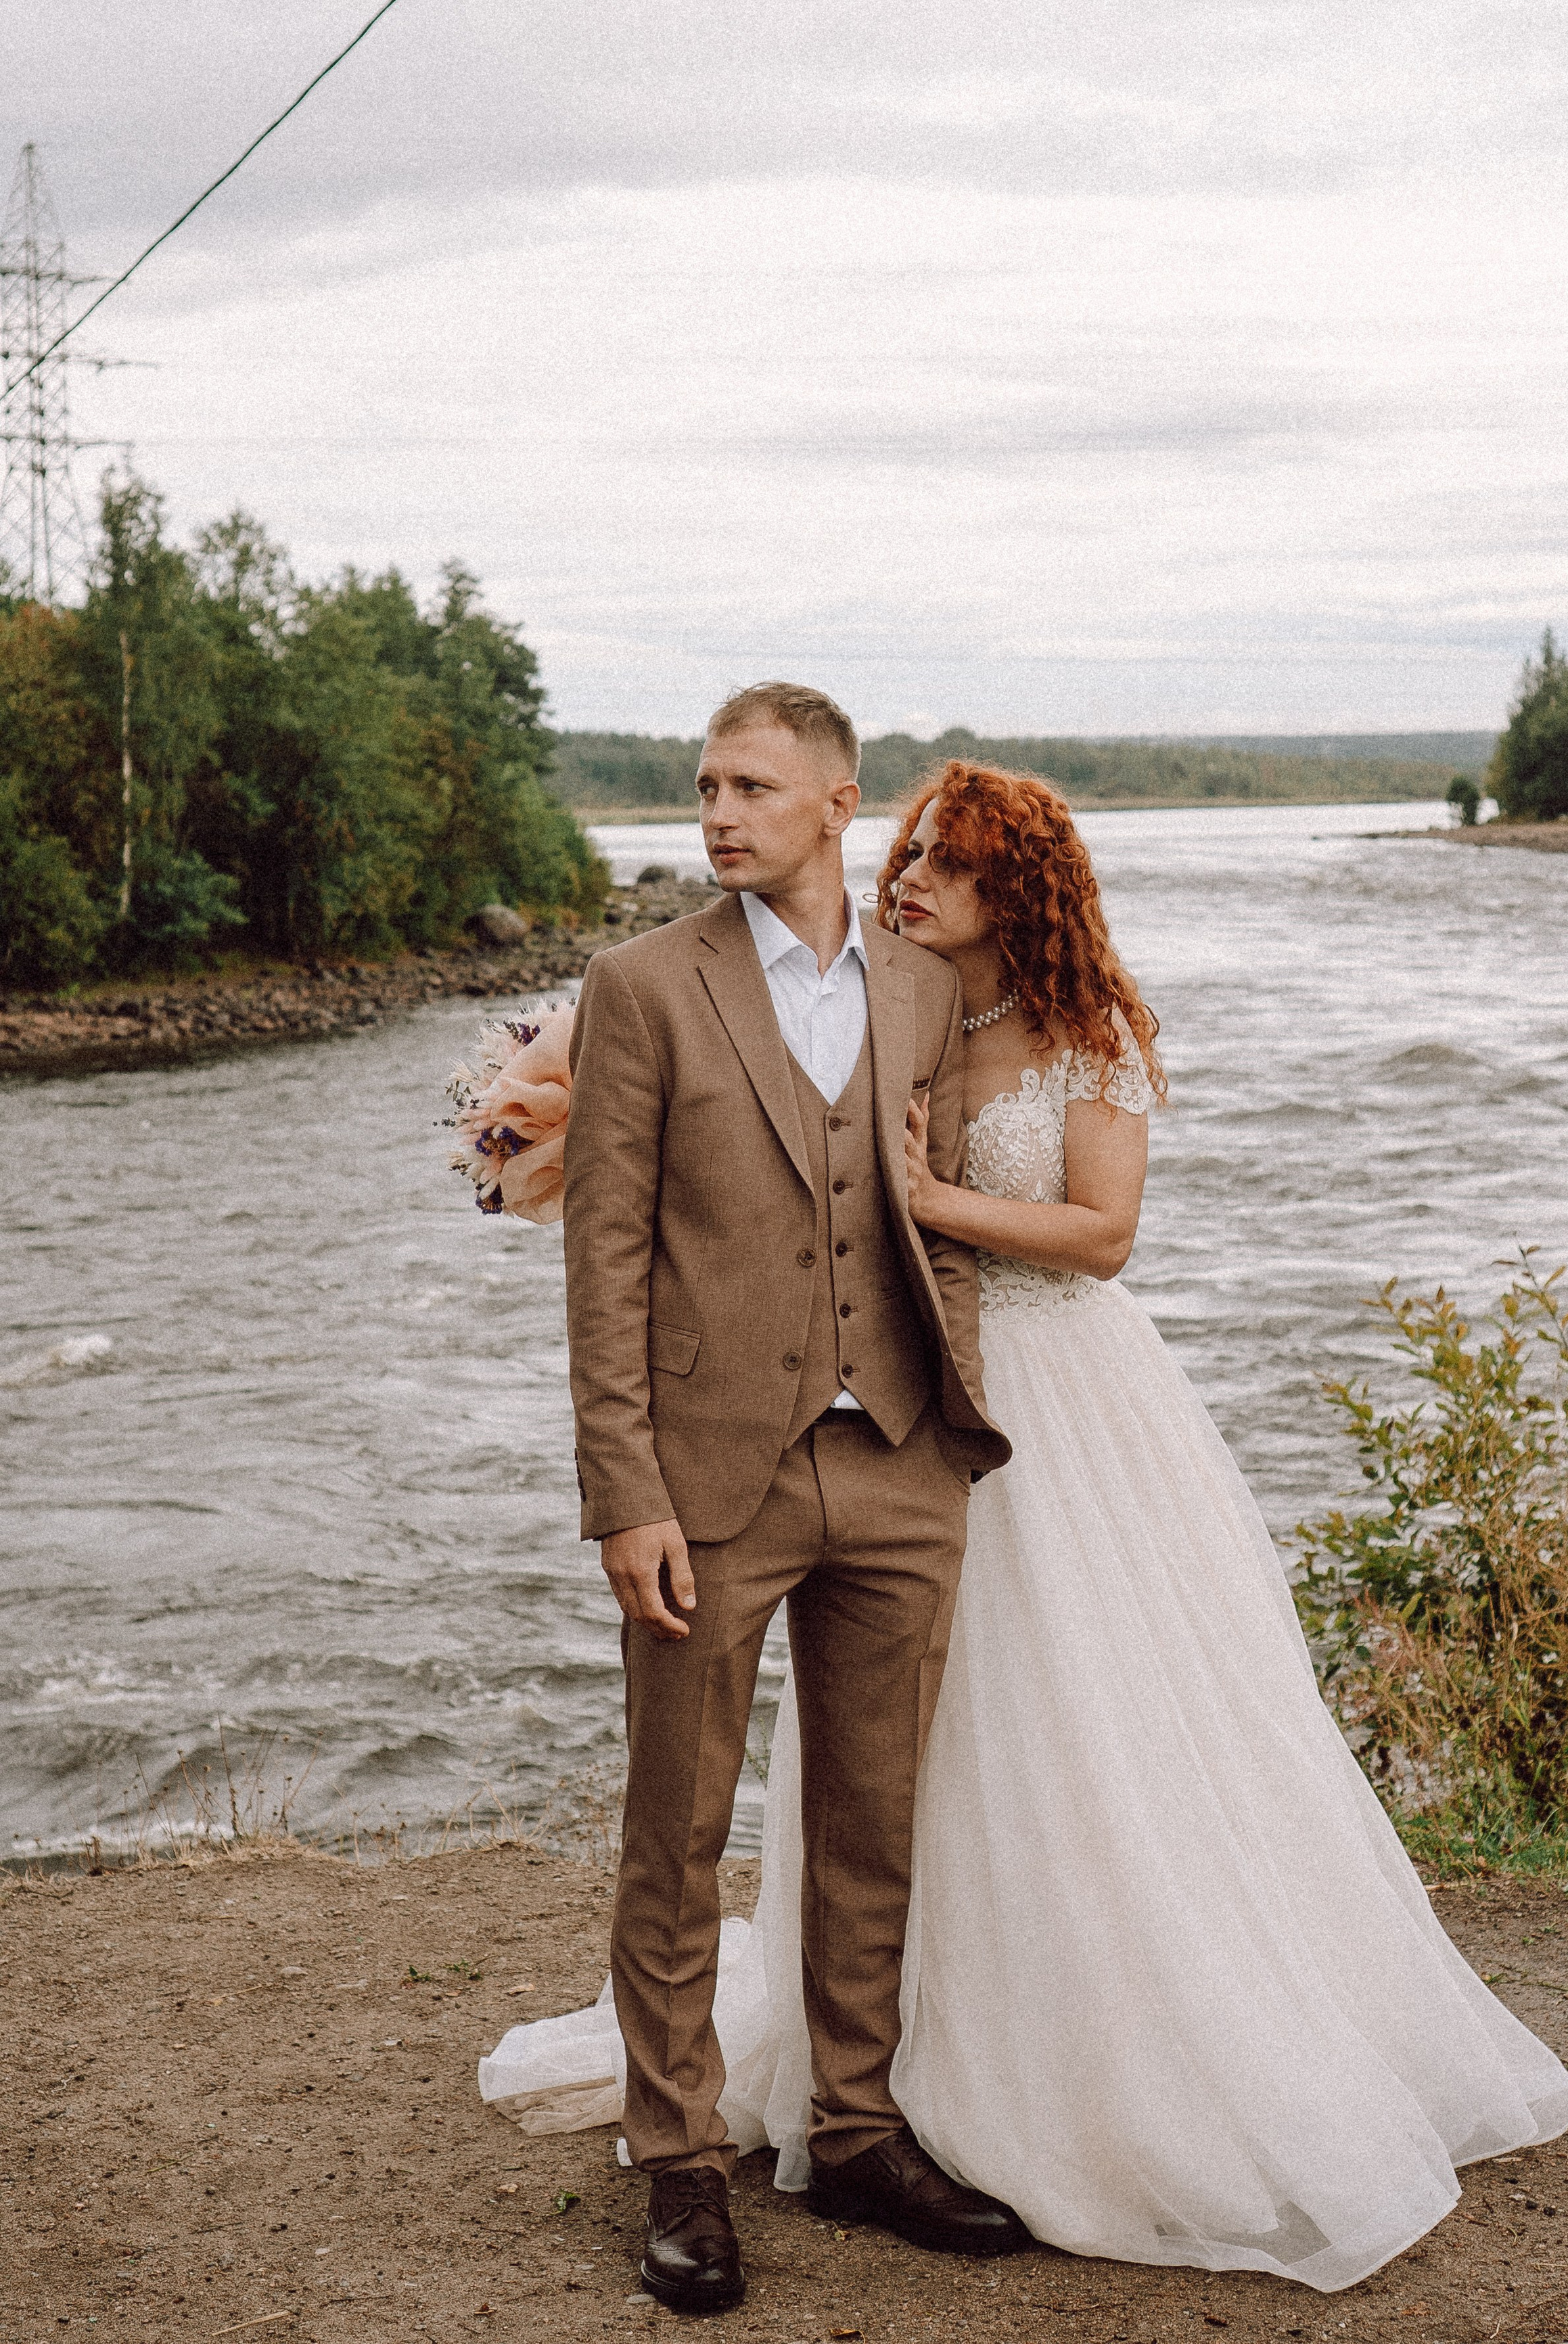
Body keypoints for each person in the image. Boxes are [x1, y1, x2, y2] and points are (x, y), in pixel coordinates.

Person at [491, 754, 1568, 2298]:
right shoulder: (887, 1001)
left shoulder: (1089, 1035)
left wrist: (925, 1202)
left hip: (1060, 1407)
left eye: (950, 861)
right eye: (910, 851)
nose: (911, 877)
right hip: (889, 1405)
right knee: (904, 1767)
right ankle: (889, 2083)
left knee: (1081, 1734)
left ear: (1022, 888)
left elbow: (1102, 1236)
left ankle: (1089, 2069)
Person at [558, 685, 1026, 2317]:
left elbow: (936, 1224)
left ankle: (854, 2128)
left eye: (751, 786)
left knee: (871, 1825)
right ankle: (678, 2157)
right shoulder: (641, 986)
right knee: (675, 1829)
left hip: (898, 1461)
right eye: (703, 787)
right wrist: (625, 1489)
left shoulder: (920, 985)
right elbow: (603, 1254)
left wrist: (952, 1415)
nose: (716, 813)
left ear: (840, 804)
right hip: (707, 1479)